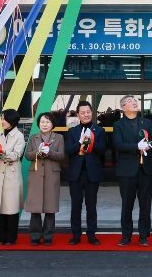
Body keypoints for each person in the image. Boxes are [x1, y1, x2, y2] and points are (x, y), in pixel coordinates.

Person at [112, 94, 152, 247]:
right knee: (127, 205)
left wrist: (148, 145)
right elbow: (118, 144)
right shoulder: (118, 125)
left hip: (145, 170)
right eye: (130, 101)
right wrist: (136, 146)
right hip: (127, 171)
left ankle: (144, 236)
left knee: (145, 205)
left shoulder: (147, 122)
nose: (134, 103)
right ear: (123, 107)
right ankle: (126, 236)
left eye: (135, 101)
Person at [65, 100, 106, 245]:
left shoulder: (99, 130)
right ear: (78, 114)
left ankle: (91, 234)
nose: (86, 114)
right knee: (76, 206)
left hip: (92, 173)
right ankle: (76, 235)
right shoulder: (72, 131)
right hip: (75, 174)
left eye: (88, 112)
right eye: (82, 112)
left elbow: (102, 150)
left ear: (92, 113)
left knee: (91, 206)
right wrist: (80, 142)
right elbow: (68, 150)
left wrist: (90, 142)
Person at [25, 112, 65, 245]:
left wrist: (50, 153)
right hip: (36, 175)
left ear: (52, 124)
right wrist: (38, 152)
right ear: (38, 124)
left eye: (48, 122)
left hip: (52, 175)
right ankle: (35, 236)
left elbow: (62, 156)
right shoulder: (33, 137)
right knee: (35, 208)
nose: (45, 124)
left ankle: (48, 236)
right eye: (42, 122)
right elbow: (27, 155)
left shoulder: (59, 137)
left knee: (50, 207)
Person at [0, 109, 25, 245]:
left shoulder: (19, 136)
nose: (2, 121)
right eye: (1, 118)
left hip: (11, 173)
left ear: (12, 120)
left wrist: (3, 152)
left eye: (4, 119)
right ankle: (0, 237)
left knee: (11, 207)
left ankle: (11, 237)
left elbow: (17, 155)